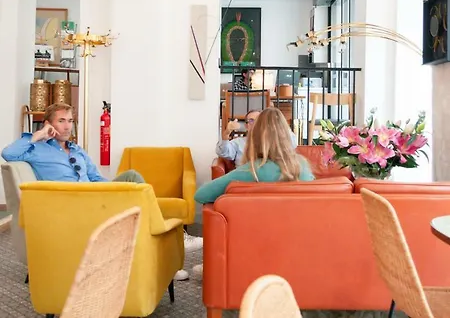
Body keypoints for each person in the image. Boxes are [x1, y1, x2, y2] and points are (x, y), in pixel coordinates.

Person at [1, 103, 202, 281]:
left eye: (70, 121)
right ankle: (168, 245)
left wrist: (116, 191)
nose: (67, 126)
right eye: (61, 121)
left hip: (95, 196)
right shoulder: (36, 149)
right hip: (72, 203)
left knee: (132, 180)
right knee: (138, 210)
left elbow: (96, 178)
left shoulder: (77, 150)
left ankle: (164, 262)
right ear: (48, 124)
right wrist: (38, 135)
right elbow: (8, 153)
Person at [192, 107, 314, 278]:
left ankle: (218, 265)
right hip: (300, 241)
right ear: (287, 135)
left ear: (255, 137)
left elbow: (201, 195)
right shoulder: (303, 165)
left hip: (254, 240)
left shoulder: (251, 170)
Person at [216, 109, 298, 167]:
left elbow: (293, 144)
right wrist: (226, 133)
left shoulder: (273, 141)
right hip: (244, 179)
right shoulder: (238, 142)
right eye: (251, 120)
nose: (256, 124)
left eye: (259, 120)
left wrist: (280, 124)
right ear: (246, 126)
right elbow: (223, 152)